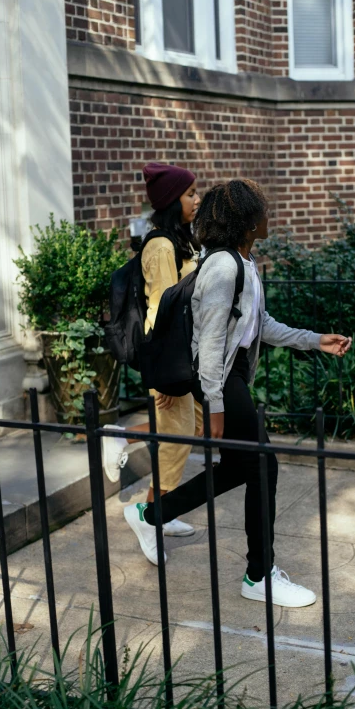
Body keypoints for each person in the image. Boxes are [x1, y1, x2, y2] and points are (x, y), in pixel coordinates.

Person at [124, 179, 351, 607]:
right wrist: (215, 409)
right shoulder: (224, 267)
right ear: (246, 221)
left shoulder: (244, 263)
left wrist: (314, 339)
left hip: (231, 379)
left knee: (237, 469)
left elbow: (258, 324)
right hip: (219, 381)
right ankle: (258, 575)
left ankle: (150, 515)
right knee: (263, 465)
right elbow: (208, 345)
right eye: (263, 210)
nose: (269, 216)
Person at [109, 163, 204, 556]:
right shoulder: (162, 246)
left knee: (187, 429)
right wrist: (163, 377)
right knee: (176, 439)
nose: (197, 200)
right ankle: (147, 516)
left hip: (184, 356)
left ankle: (159, 509)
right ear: (172, 201)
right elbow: (161, 312)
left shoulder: (178, 240)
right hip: (169, 360)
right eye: (190, 195)